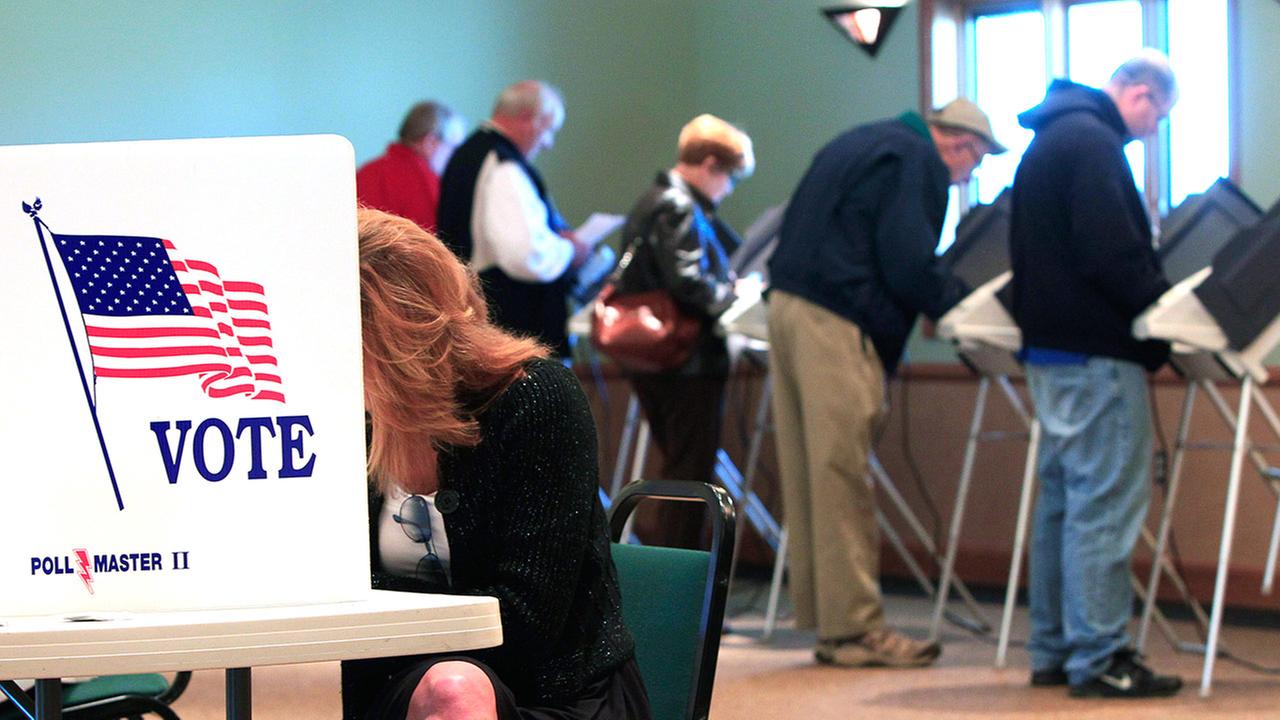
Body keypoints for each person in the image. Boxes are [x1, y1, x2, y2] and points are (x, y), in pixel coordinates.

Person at [341, 209, 651, 720]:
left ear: (398, 345)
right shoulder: (355, 421)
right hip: (404, 688)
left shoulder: (536, 400)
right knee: (448, 690)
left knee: (454, 690)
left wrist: (377, 611)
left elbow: (524, 623)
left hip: (556, 693)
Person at [766, 98, 1004, 668]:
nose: (970, 174)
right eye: (977, 161)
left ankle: (827, 621)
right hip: (837, 320)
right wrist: (959, 303)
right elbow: (905, 258)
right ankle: (855, 630)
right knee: (842, 473)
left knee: (809, 472)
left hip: (785, 308)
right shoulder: (918, 157)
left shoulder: (860, 137)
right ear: (959, 143)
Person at [1009, 50, 1182, 698]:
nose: (1152, 131)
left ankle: (1053, 650)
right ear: (1138, 93)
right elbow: (1111, 253)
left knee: (1064, 504)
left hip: (1051, 352)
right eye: (1157, 115)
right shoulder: (1093, 142)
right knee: (1104, 507)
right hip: (1096, 354)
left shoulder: (1052, 137)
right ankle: (1102, 656)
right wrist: (1162, 315)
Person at [614, 114, 753, 549]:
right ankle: (685, 596)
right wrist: (733, 294)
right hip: (686, 360)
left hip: (654, 358)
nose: (727, 189)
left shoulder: (650, 198)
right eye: (729, 177)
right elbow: (688, 282)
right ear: (711, 164)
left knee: (678, 468)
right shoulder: (677, 205)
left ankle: (676, 589)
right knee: (690, 478)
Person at [436, 80, 591, 358]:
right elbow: (524, 255)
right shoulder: (503, 166)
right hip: (513, 328)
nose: (548, 144)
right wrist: (570, 250)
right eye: (549, 131)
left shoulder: (468, 153)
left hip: (476, 315)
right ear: (526, 119)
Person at [357, 101, 467, 232]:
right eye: (453, 148)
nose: (455, 156)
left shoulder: (366, 171)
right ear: (429, 141)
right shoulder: (425, 182)